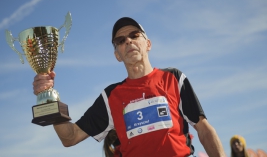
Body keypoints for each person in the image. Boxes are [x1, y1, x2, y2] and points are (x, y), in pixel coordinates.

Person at [33, 17, 226, 157]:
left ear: (148, 44)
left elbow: (203, 128)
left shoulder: (174, 78)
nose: (128, 41)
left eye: (135, 35)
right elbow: (70, 137)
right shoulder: (111, 97)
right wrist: (48, 98)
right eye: (120, 40)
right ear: (117, 54)